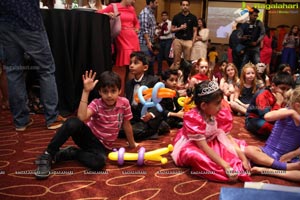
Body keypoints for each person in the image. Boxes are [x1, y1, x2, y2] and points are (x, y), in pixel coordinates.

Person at [34, 70, 138, 179]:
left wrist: (132, 144)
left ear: (120, 90)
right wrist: (86, 91)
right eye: (105, 91)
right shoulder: (97, 103)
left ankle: (73, 153)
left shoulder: (124, 103)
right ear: (100, 92)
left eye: (113, 91)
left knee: (99, 163)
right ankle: (47, 155)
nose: (109, 95)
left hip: (102, 147)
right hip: (88, 138)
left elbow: (127, 124)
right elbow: (82, 117)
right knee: (73, 122)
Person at [0, 0, 64, 131]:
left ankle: (20, 121)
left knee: (13, 71)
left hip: (5, 23)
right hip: (29, 22)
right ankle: (52, 118)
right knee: (46, 69)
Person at [171, 81, 251, 182]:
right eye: (217, 104)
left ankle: (236, 168)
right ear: (204, 106)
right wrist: (226, 166)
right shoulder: (194, 118)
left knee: (232, 150)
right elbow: (203, 146)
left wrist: (243, 158)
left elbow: (228, 137)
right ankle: (224, 172)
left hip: (212, 139)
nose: (221, 107)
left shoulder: (219, 113)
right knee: (196, 156)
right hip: (194, 144)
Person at [245, 87, 300, 182]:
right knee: (249, 150)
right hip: (268, 151)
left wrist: (292, 154)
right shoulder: (286, 111)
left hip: (287, 156)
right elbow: (267, 116)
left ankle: (268, 170)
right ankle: (284, 167)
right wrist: (291, 113)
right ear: (297, 106)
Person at [98, 0, 140, 95]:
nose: (134, 1)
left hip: (133, 38)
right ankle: (119, 93)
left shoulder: (132, 9)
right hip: (122, 37)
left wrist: (137, 28)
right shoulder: (114, 6)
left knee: (132, 67)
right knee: (122, 67)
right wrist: (108, 15)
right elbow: (98, 14)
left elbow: (136, 22)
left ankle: (130, 94)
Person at [125, 51, 168, 140]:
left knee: (133, 132)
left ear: (145, 67)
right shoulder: (128, 84)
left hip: (148, 119)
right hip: (134, 118)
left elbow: (161, 103)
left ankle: (157, 127)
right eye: (130, 63)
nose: (131, 65)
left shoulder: (154, 81)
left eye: (136, 63)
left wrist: (151, 114)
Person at [245, 72, 295, 137]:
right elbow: (266, 117)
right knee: (265, 126)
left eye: (288, 89)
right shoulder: (263, 95)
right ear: (273, 86)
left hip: (274, 120)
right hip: (256, 119)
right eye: (282, 88)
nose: (285, 91)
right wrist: (278, 103)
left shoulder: (284, 95)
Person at [171, 0, 198, 68]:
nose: (185, 7)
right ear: (181, 6)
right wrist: (180, 28)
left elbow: (195, 31)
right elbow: (172, 30)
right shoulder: (176, 16)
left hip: (188, 41)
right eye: (183, 5)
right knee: (176, 60)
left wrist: (193, 42)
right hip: (178, 40)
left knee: (187, 61)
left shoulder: (193, 17)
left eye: (186, 5)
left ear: (189, 6)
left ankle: (186, 76)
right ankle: (176, 75)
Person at [138, 0, 159, 76]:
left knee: (150, 64)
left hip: (150, 42)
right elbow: (144, 29)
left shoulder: (151, 13)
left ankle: (150, 83)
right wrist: (148, 42)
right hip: (144, 43)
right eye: (156, 2)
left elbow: (150, 28)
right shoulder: (145, 13)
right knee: (146, 64)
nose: (157, 5)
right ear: (151, 3)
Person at [156, 11, 173, 76]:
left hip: (168, 40)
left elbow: (167, 31)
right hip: (161, 41)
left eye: (165, 15)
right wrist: (160, 31)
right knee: (159, 57)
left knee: (166, 56)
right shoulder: (161, 24)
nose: (164, 16)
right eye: (162, 15)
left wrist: (160, 31)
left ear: (167, 16)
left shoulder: (170, 23)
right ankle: (159, 72)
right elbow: (156, 32)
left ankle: (172, 69)